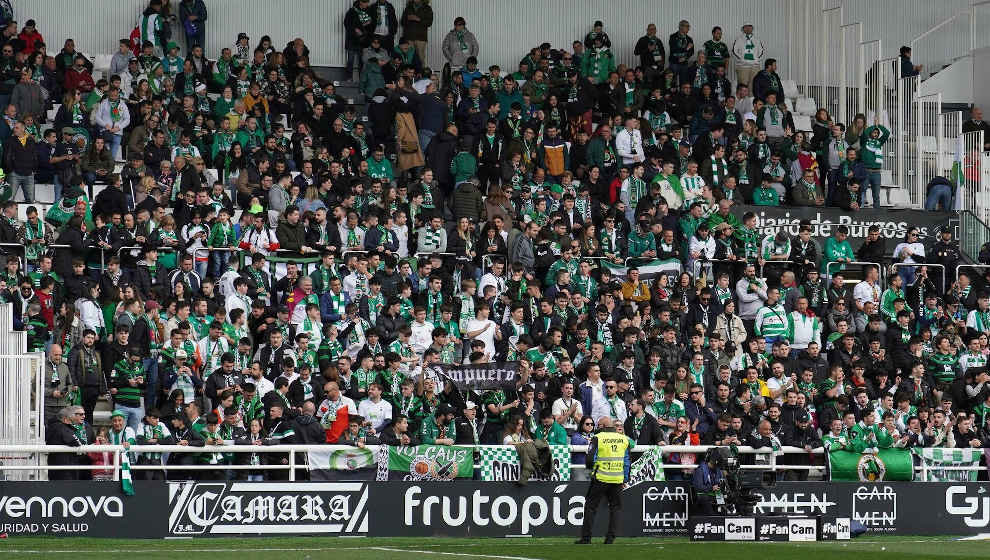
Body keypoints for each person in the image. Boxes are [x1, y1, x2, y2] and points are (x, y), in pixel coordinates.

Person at [575, 417, 629, 545]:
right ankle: (610, 539)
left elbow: (589, 459)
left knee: (590, 507)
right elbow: (627, 462)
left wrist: (592, 469)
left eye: (598, 425)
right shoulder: (623, 439)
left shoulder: (598, 438)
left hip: (600, 477)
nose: (596, 428)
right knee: (615, 508)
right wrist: (624, 478)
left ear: (603, 426)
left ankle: (586, 538)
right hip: (617, 479)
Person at [691, 449, 725, 515]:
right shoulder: (700, 470)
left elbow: (719, 482)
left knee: (724, 499)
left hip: (715, 494)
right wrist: (712, 488)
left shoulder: (718, 470)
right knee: (705, 499)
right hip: (703, 494)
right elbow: (698, 487)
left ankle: (722, 515)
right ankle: (713, 517)